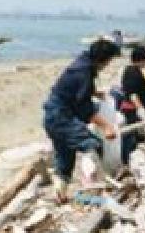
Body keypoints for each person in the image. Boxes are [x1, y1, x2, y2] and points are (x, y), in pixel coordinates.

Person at [43, 39, 121, 203]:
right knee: (92, 145)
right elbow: (84, 109)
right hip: (61, 117)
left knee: (65, 156)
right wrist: (107, 126)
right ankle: (93, 190)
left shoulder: (83, 63)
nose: (108, 65)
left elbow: (76, 89)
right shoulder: (83, 71)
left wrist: (94, 93)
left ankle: (60, 195)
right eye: (109, 61)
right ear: (103, 59)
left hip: (52, 115)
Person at [118, 46, 145, 165]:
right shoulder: (133, 72)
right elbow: (132, 94)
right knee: (131, 137)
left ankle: (129, 161)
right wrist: (140, 109)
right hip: (131, 109)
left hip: (131, 108)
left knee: (134, 136)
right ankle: (127, 162)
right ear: (141, 59)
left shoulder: (132, 70)